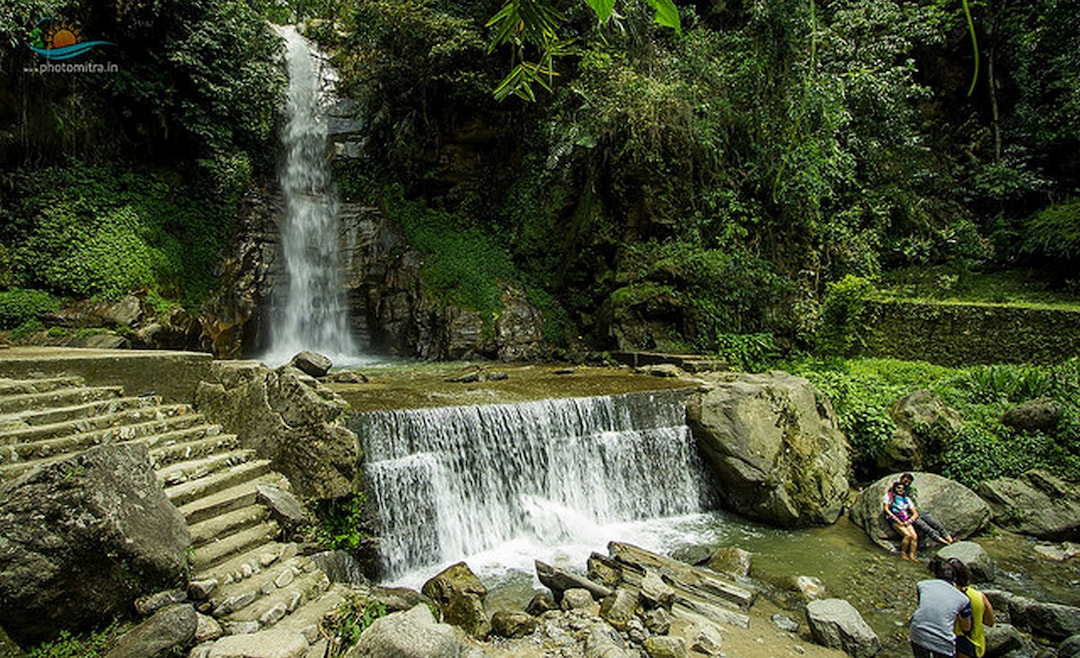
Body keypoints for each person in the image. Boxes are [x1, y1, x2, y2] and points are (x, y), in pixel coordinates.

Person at [910, 557, 973, 658]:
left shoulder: (922, 585)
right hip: (943, 641)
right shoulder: (963, 599)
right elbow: (967, 627)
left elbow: (923, 606)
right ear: (954, 578)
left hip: (918, 633)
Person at [947, 557, 995, 658]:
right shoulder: (979, 596)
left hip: (956, 644)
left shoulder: (949, 594)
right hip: (976, 645)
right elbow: (989, 622)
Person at [901, 472, 956, 546]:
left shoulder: (911, 490)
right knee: (927, 529)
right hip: (910, 515)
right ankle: (946, 543)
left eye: (909, 482)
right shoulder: (896, 490)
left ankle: (951, 540)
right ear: (901, 479)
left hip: (918, 511)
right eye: (905, 481)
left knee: (937, 524)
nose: (907, 484)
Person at [883, 480, 920, 561]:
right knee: (907, 535)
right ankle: (903, 553)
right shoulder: (890, 496)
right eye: (898, 488)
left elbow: (915, 513)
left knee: (914, 536)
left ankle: (912, 555)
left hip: (905, 519)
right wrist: (895, 519)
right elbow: (886, 509)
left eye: (902, 489)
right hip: (894, 518)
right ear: (895, 488)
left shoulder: (906, 499)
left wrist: (909, 521)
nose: (900, 490)